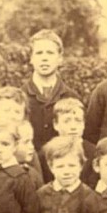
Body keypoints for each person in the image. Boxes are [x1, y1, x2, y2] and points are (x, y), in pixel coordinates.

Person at [22, 30, 79, 164]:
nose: (44, 58)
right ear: (31, 58)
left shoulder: (71, 97)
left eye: (50, 53)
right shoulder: (20, 97)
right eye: (39, 53)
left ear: (60, 59)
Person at [52, 97, 98, 187]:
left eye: (78, 121)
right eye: (67, 121)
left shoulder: (94, 152)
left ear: (84, 123)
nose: (73, 127)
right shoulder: (47, 153)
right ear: (55, 124)